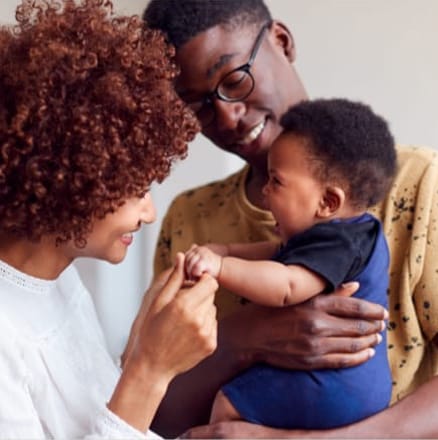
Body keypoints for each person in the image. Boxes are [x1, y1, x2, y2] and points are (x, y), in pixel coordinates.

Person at [139, 0, 438, 437]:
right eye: (198, 104)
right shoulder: (190, 219)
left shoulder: (417, 186)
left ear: (281, 41)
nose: (226, 116)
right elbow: (156, 411)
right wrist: (243, 337)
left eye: (235, 79)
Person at [0, 0, 218, 438]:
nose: (149, 211)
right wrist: (150, 371)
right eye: (136, 188)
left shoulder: (56, 279)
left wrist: (140, 345)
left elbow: (88, 414)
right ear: (69, 176)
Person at [184, 98, 395, 429]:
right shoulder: (352, 234)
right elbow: (273, 254)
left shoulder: (337, 244)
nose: (265, 192)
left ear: (327, 201)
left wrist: (220, 267)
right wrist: (225, 249)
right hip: (356, 386)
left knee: (228, 405)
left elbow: (285, 286)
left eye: (276, 181)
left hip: (333, 384)